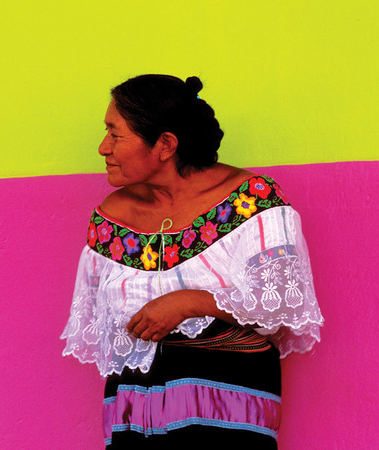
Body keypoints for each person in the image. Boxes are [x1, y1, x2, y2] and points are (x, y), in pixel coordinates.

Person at [61, 74, 323, 448]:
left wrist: (188, 302)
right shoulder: (110, 220)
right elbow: (106, 329)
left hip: (224, 407)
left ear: (165, 144)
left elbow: (279, 302)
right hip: (135, 410)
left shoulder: (250, 202)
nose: (104, 147)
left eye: (116, 135)